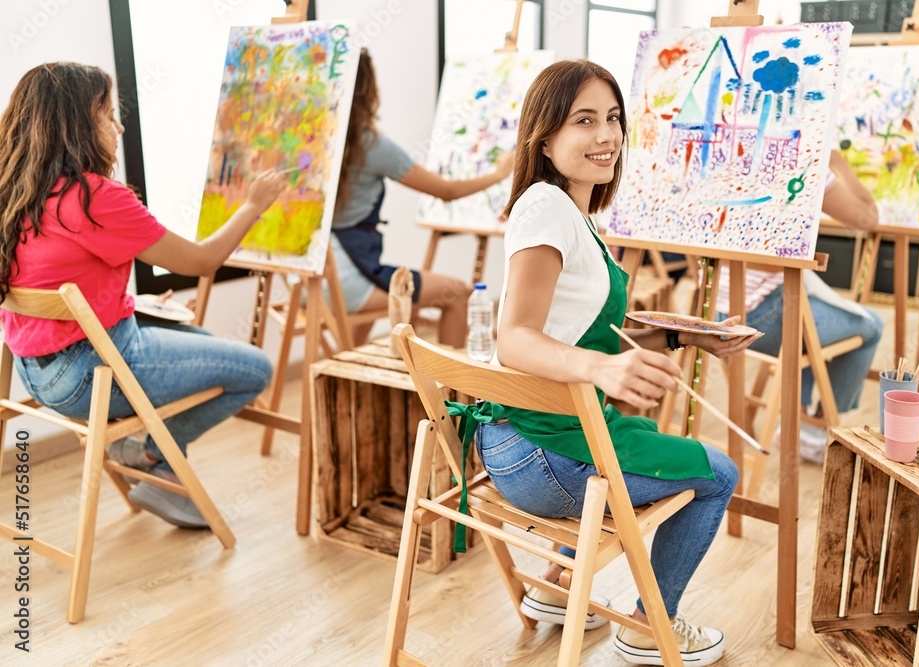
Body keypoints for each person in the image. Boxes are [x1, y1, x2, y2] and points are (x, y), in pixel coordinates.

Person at [461, 60, 759, 666]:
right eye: (585, 121)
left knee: (644, 433)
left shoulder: (573, 215)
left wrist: (683, 341)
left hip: (517, 442)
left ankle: (562, 588)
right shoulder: (546, 208)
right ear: (545, 139)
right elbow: (516, 338)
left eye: (614, 119)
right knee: (719, 474)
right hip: (543, 454)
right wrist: (601, 373)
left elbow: (584, 341)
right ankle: (652, 628)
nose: (607, 136)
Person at [0, 62, 286, 529]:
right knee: (254, 368)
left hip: (34, 375)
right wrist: (253, 205)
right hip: (93, 374)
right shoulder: (96, 199)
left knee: (190, 330)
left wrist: (142, 308)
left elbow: (62, 287)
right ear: (75, 126)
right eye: (108, 114)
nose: (119, 125)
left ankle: (161, 470)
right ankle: (148, 452)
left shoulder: (15, 192)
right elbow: (201, 261)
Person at [330, 49, 514, 347]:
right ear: (368, 90)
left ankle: (357, 373)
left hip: (318, 276)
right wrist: (498, 175)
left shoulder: (317, 142)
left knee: (401, 288)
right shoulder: (371, 146)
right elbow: (447, 191)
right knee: (457, 292)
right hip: (352, 280)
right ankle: (448, 389)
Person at [716, 150, 883, 463]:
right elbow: (868, 219)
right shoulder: (808, 154)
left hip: (714, 314)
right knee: (871, 325)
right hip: (761, 321)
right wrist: (837, 161)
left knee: (808, 314)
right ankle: (813, 430)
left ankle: (802, 416)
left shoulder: (728, 149)